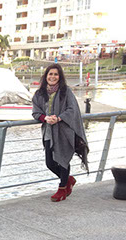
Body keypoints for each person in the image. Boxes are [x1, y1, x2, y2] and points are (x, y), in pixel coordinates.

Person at [32, 63, 89, 202]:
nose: (53, 77)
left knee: (63, 158)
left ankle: (62, 188)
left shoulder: (66, 91)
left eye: (56, 74)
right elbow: (35, 112)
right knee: (50, 162)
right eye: (50, 74)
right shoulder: (39, 94)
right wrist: (45, 118)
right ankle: (68, 180)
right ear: (46, 76)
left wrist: (58, 118)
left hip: (64, 130)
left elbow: (72, 109)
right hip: (48, 131)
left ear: (60, 76)